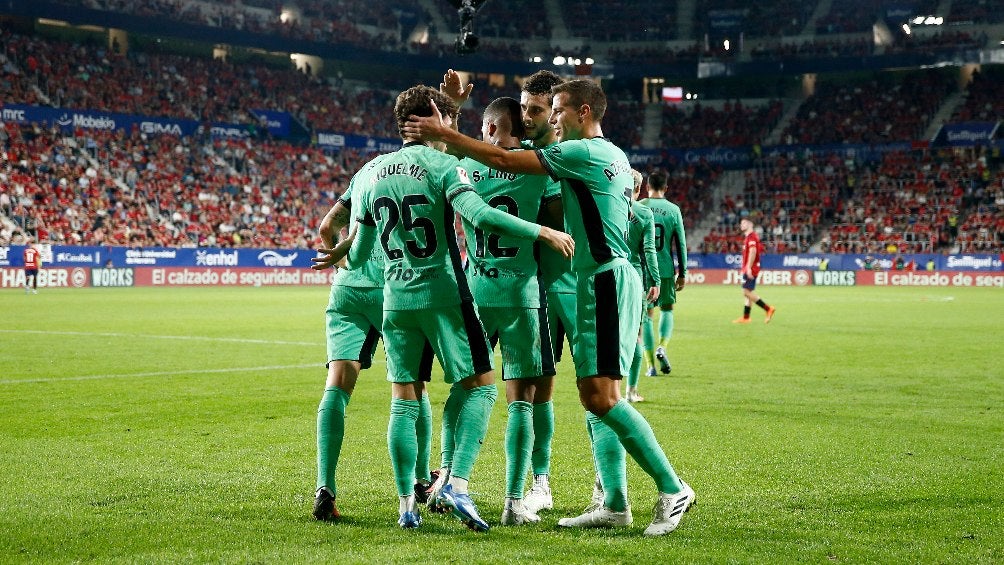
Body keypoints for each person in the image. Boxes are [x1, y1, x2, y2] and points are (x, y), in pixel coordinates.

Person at [404, 78, 695, 536]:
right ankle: (614, 502)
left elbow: (500, 157)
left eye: (555, 110)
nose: (551, 119)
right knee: (596, 397)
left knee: (599, 396)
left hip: (599, 281)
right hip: (596, 281)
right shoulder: (616, 155)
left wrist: (448, 132)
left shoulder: (580, 153)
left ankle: (672, 487)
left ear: (583, 112)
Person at [349, 85, 574, 531]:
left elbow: (360, 253)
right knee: (504, 394)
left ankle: (410, 503)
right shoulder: (463, 165)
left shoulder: (372, 172)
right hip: (492, 294)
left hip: (400, 299)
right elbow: (483, 214)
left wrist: (342, 254)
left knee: (406, 398)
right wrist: (542, 233)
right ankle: (497, 495)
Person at [308, 158, 436, 523]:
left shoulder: (364, 173)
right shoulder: (417, 171)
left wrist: (342, 266)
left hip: (347, 290)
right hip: (393, 287)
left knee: (337, 384)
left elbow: (326, 227)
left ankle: (325, 488)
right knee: (413, 386)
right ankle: (422, 480)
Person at [455, 96, 557, 525]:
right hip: (521, 293)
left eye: (483, 127)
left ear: (493, 128)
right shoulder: (538, 170)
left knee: (468, 390)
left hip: (476, 291)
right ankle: (515, 501)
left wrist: (455, 109)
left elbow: (444, 148)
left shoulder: (467, 167)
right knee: (523, 399)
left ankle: (450, 481)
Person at [639, 169, 687, 375]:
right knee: (667, 309)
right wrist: (682, 272)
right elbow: (681, 244)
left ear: (647, 187)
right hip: (666, 269)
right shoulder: (673, 210)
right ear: (666, 188)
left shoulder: (638, 207)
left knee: (647, 316)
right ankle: (662, 347)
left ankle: (650, 366)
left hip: (643, 269)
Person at [625, 170, 660, 403]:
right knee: (636, 335)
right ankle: (631, 391)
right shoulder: (644, 213)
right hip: (633, 276)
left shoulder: (607, 206)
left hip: (605, 273)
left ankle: (607, 391)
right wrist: (655, 280)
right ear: (639, 189)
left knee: (608, 335)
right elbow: (649, 250)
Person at [733, 217, 776, 324]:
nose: (741, 225)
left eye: (743, 223)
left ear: (750, 224)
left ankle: (768, 309)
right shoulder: (748, 237)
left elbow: (753, 251)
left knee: (746, 292)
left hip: (751, 268)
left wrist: (748, 267)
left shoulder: (752, 237)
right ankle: (746, 317)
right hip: (749, 267)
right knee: (748, 292)